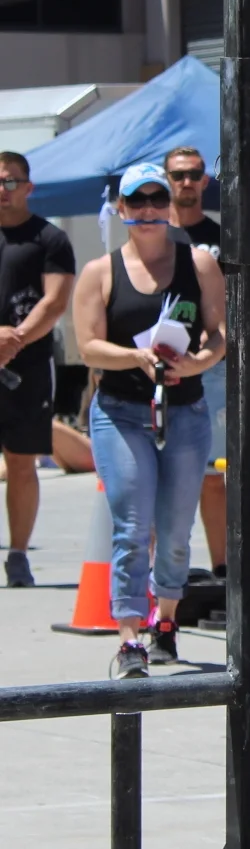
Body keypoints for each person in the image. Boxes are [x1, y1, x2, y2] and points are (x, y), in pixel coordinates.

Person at [72, 163, 225, 678]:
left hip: (185, 409)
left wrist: (198, 362)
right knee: (133, 527)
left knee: (177, 530)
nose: (148, 211)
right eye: (136, 202)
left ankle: (166, 620)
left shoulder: (199, 263)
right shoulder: (101, 271)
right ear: (121, 209)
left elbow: (219, 335)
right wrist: (134, 358)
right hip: (121, 410)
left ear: (171, 207)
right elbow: (88, 344)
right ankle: (130, 636)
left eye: (158, 200)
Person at [0, 151, 76, 587]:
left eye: (11, 181)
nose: (4, 189)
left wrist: (13, 340)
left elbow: (54, 302)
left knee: (22, 462)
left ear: (28, 187)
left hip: (27, 368)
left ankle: (18, 554)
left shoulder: (49, 239)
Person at [165, 147, 226, 579]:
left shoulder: (221, 236)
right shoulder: (150, 235)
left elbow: (228, 304)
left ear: (206, 181)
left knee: (211, 474)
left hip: (211, 364)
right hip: (156, 365)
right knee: (160, 474)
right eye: (178, 175)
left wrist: (207, 348)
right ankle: (166, 570)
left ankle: (223, 568)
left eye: (194, 174)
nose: (186, 182)